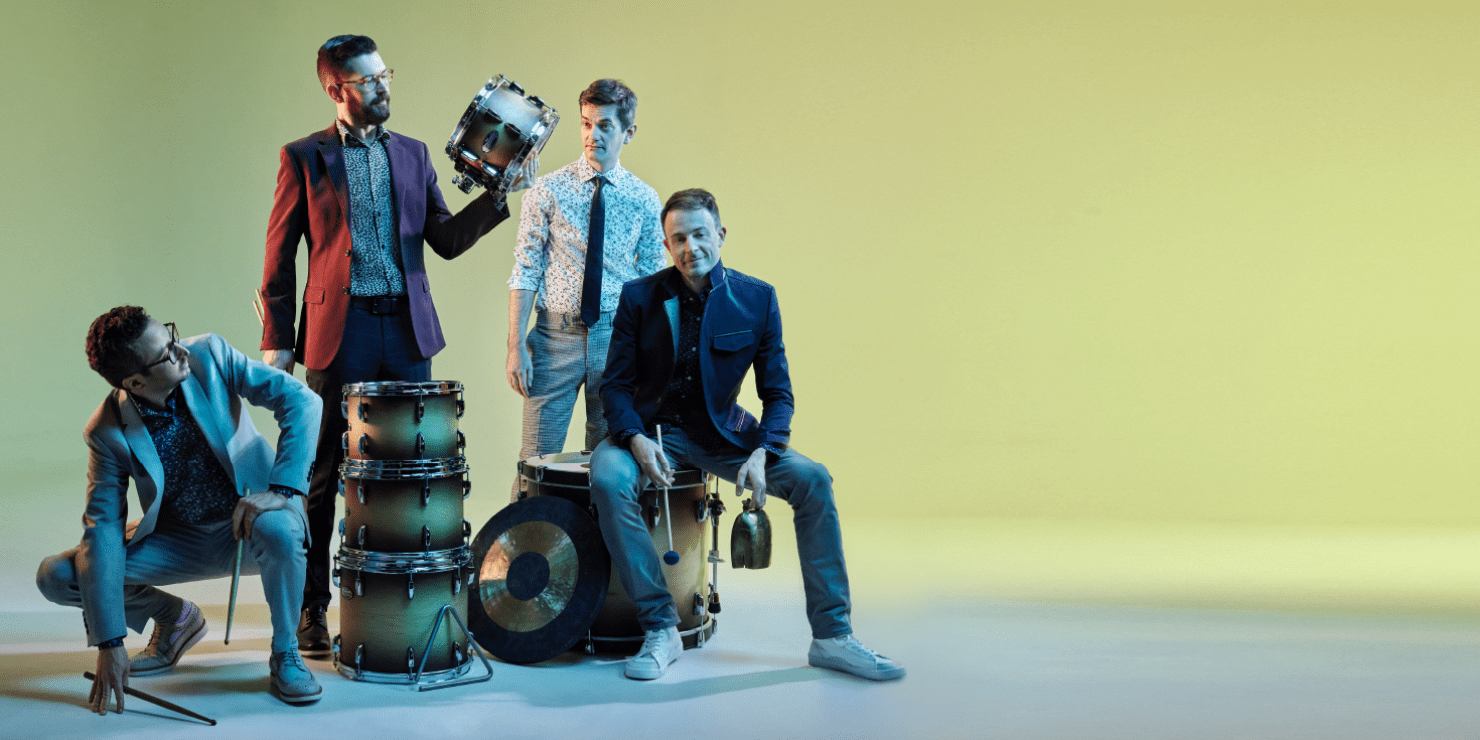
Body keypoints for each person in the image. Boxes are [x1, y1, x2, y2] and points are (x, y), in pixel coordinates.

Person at [257, 34, 531, 657]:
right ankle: (310, 608)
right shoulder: (304, 157)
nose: (384, 87)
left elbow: (445, 241)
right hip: (339, 331)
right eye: (370, 80)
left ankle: (401, 601)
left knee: (408, 472)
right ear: (336, 89)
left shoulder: (413, 153)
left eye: (386, 74)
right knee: (323, 472)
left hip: (407, 333)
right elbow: (279, 254)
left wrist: (497, 194)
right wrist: (278, 339)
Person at [589, 189, 906, 682]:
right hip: (653, 433)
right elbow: (615, 386)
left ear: (720, 234)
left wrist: (764, 451)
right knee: (608, 478)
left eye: (699, 234)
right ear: (667, 245)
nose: (690, 247)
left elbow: (777, 394)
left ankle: (832, 637)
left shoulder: (757, 298)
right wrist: (633, 438)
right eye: (679, 239)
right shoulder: (639, 297)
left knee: (814, 480)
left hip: (724, 437)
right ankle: (661, 629)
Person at [37, 306, 324, 710]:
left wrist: (283, 490)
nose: (181, 351)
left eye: (172, 337)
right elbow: (102, 528)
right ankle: (175, 620)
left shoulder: (211, 355)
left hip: (249, 524)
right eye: (167, 354)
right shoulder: (105, 431)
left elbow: (302, 401)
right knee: (57, 575)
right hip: (177, 541)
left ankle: (285, 652)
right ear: (135, 382)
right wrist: (110, 641)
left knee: (278, 528)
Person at [506, 78, 664, 501]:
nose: (594, 134)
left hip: (616, 342)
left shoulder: (644, 199)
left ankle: (595, 545)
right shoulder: (547, 190)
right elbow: (526, 268)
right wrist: (515, 345)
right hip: (555, 338)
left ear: (628, 132)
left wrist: (646, 353)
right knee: (535, 462)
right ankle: (521, 542)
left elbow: (652, 280)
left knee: (607, 465)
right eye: (586, 123)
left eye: (606, 125)